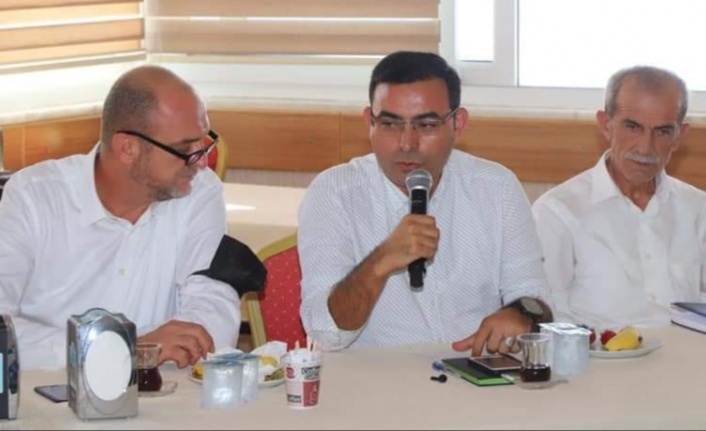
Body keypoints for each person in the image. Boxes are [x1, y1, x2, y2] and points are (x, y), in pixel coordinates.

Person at [298, 51, 553, 356]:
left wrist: (520, 314)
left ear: (458, 123)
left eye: (427, 125)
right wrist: (380, 262)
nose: (407, 143)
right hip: (375, 378)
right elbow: (326, 334)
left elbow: (537, 301)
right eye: (390, 124)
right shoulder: (334, 192)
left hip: (474, 372)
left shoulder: (497, 187)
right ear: (369, 122)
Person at [0, 65, 241, 369]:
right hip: (49, 392)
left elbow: (214, 306)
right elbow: (2, 329)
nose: (202, 163)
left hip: (161, 391)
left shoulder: (199, 191)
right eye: (184, 149)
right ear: (128, 148)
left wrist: (140, 351)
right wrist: (122, 349)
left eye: (204, 142)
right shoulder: (34, 197)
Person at [532, 65, 706, 329]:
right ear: (606, 124)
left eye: (662, 131)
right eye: (633, 127)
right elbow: (545, 316)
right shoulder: (558, 211)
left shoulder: (698, 209)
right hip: (599, 354)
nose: (645, 148)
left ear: (680, 135)